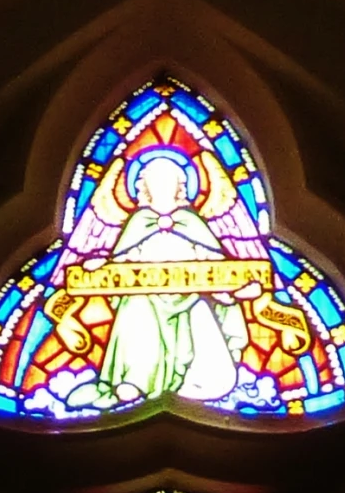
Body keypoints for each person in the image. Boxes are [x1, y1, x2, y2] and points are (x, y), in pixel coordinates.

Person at [94, 150, 259, 407]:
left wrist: (230, 289)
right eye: (156, 180)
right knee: (135, 308)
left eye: (168, 180)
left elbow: (214, 263)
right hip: (144, 294)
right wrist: (102, 266)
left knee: (203, 317)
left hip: (191, 296)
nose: (162, 186)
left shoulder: (191, 221)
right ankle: (137, 380)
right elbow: (122, 261)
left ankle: (197, 382)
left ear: (180, 186)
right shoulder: (139, 221)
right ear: (144, 186)